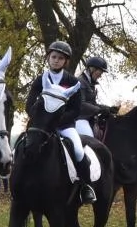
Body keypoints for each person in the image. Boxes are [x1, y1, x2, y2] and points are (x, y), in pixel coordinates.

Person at [24, 40, 97, 204]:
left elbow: (76, 110)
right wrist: (41, 119)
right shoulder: (39, 80)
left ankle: (86, 186)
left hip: (64, 126)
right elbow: (29, 104)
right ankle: (20, 181)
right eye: (54, 57)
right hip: (40, 127)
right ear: (48, 57)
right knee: (21, 148)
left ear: (66, 62)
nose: (56, 60)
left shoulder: (73, 82)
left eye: (60, 58)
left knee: (78, 151)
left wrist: (57, 121)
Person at [75, 55, 118, 136]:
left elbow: (92, 104)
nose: (101, 75)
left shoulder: (90, 84)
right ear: (92, 69)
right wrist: (99, 110)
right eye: (100, 72)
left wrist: (108, 108)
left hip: (89, 118)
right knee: (89, 137)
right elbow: (81, 104)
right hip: (79, 119)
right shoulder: (80, 82)